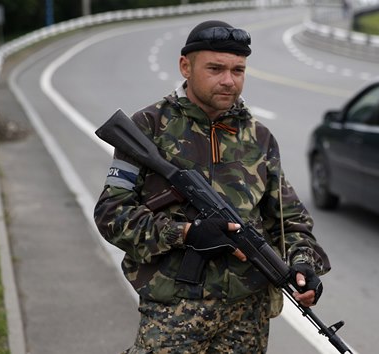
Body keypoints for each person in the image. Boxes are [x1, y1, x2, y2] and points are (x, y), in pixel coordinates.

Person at [94, 20, 331, 354]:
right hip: (173, 314)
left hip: (246, 318)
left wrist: (304, 263)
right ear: (185, 66)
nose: (229, 81)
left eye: (238, 70)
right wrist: (188, 234)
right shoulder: (147, 127)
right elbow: (111, 215)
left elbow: (291, 220)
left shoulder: (259, 138)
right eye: (216, 68)